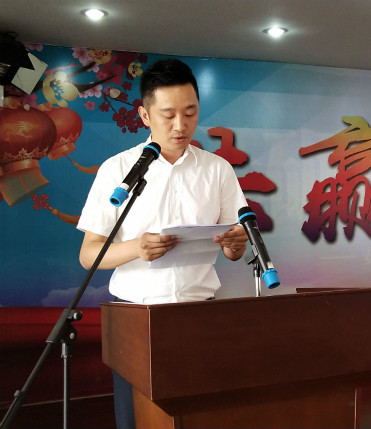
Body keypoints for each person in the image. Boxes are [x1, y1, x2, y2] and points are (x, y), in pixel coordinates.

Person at [77, 58, 248, 428]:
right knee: (137, 419)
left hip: (199, 315)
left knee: (200, 416)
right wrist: (137, 248)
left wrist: (235, 244)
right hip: (135, 317)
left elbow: (234, 250)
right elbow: (89, 254)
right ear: (144, 115)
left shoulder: (217, 169)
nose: (180, 125)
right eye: (168, 114)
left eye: (190, 112)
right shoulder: (117, 169)